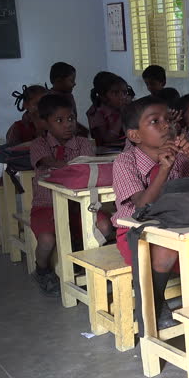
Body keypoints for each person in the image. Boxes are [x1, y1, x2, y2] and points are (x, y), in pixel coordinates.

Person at [111, 96, 189, 329]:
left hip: (175, 223)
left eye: (168, 120)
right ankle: (155, 301)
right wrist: (164, 169)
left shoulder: (180, 153)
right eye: (155, 121)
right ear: (135, 135)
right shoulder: (125, 161)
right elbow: (141, 207)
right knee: (166, 248)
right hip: (135, 232)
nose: (166, 126)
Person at [28, 94, 112, 296]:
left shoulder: (84, 143)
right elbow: (49, 163)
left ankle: (86, 260)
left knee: (105, 226)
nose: (67, 125)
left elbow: (87, 167)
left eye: (71, 119)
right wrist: (73, 168)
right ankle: (42, 270)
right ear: (45, 123)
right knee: (47, 240)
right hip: (46, 206)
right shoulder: (39, 145)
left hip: (79, 205)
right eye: (59, 120)